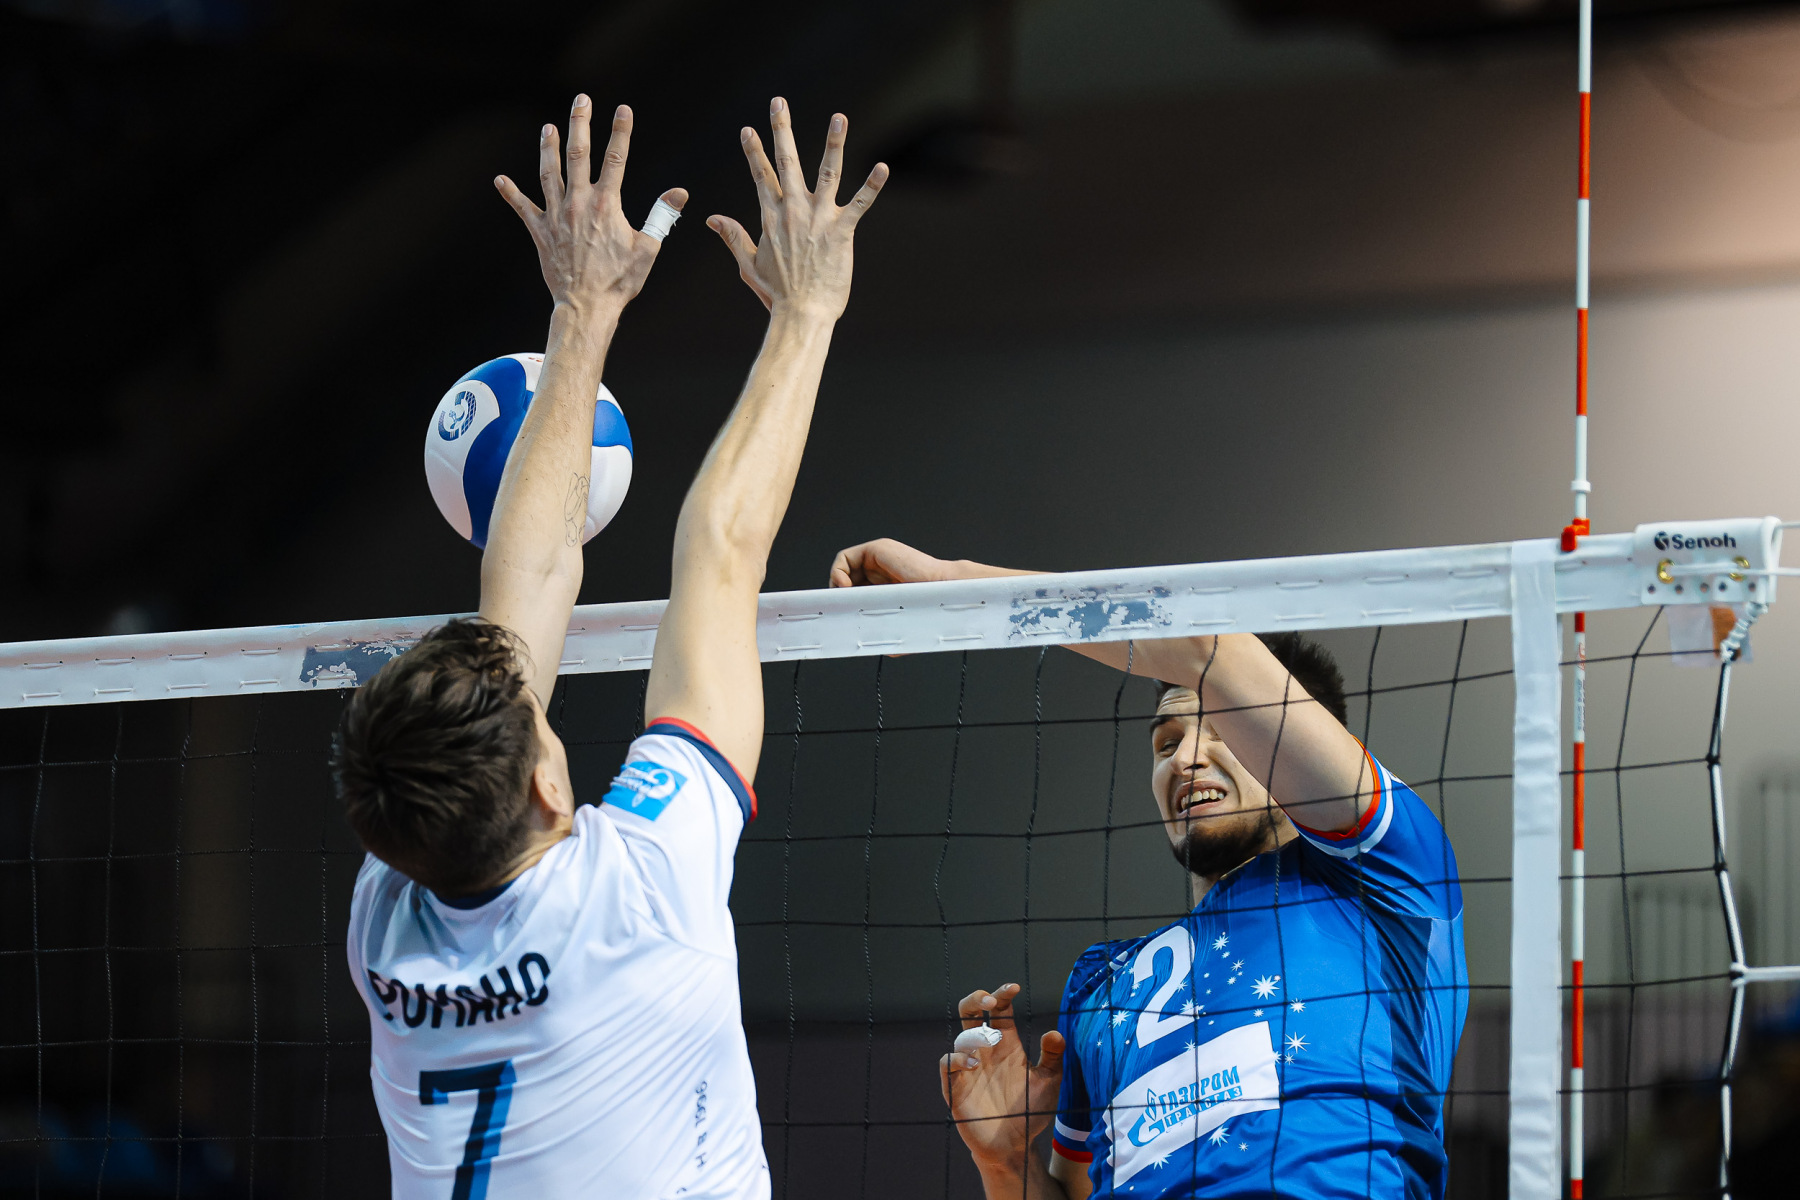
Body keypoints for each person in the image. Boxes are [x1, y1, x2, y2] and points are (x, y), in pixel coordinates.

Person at [331, 95, 886, 1198]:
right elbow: (709, 550)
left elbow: (558, 580)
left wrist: (585, 313)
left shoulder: (393, 917)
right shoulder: (632, 893)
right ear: (545, 783)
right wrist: (806, 305)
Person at [828, 539, 1468, 1199]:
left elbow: (1206, 647)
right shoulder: (1103, 986)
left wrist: (956, 585)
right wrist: (1006, 1162)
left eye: (1221, 730)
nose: (1184, 759)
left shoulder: (1384, 872)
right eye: (1166, 743)